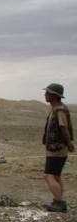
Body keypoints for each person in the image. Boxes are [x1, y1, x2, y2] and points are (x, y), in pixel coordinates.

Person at [42, 83, 74, 212]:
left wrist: (69, 143)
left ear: (53, 96)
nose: (45, 95)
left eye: (47, 93)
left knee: (48, 175)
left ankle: (59, 202)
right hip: (56, 148)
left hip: (57, 149)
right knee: (55, 176)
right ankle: (58, 200)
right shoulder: (56, 109)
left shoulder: (59, 110)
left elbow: (63, 128)